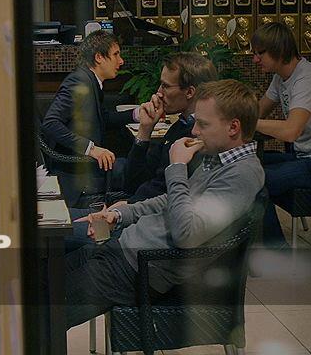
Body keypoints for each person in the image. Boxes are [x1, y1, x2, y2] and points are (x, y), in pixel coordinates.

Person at [63, 80, 265, 328]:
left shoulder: (242, 174)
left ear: (233, 127)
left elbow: (187, 234)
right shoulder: (217, 159)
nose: (194, 132)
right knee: (43, 281)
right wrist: (119, 214)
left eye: (203, 124)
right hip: (124, 248)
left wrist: (177, 166)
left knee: (44, 314)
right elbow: (171, 200)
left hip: (138, 270)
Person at [250, 22, 311, 247]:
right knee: (247, 166)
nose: (255, 60)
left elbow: (290, 131)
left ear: (279, 51)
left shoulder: (307, 79)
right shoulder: (281, 77)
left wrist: (250, 123)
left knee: (254, 182)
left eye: (260, 53)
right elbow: (259, 111)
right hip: (307, 157)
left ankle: (277, 252)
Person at [41, 30, 139, 206]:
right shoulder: (79, 82)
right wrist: (91, 149)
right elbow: (51, 123)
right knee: (141, 171)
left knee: (136, 168)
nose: (121, 61)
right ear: (99, 57)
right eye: (116, 54)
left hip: (87, 170)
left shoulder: (91, 81)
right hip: (78, 178)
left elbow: (103, 118)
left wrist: (136, 114)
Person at [121, 52, 218, 201]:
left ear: (190, 92)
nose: (158, 93)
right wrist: (145, 130)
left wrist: (127, 207)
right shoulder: (179, 126)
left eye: (165, 86)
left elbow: (167, 194)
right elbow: (133, 183)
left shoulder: (201, 136)